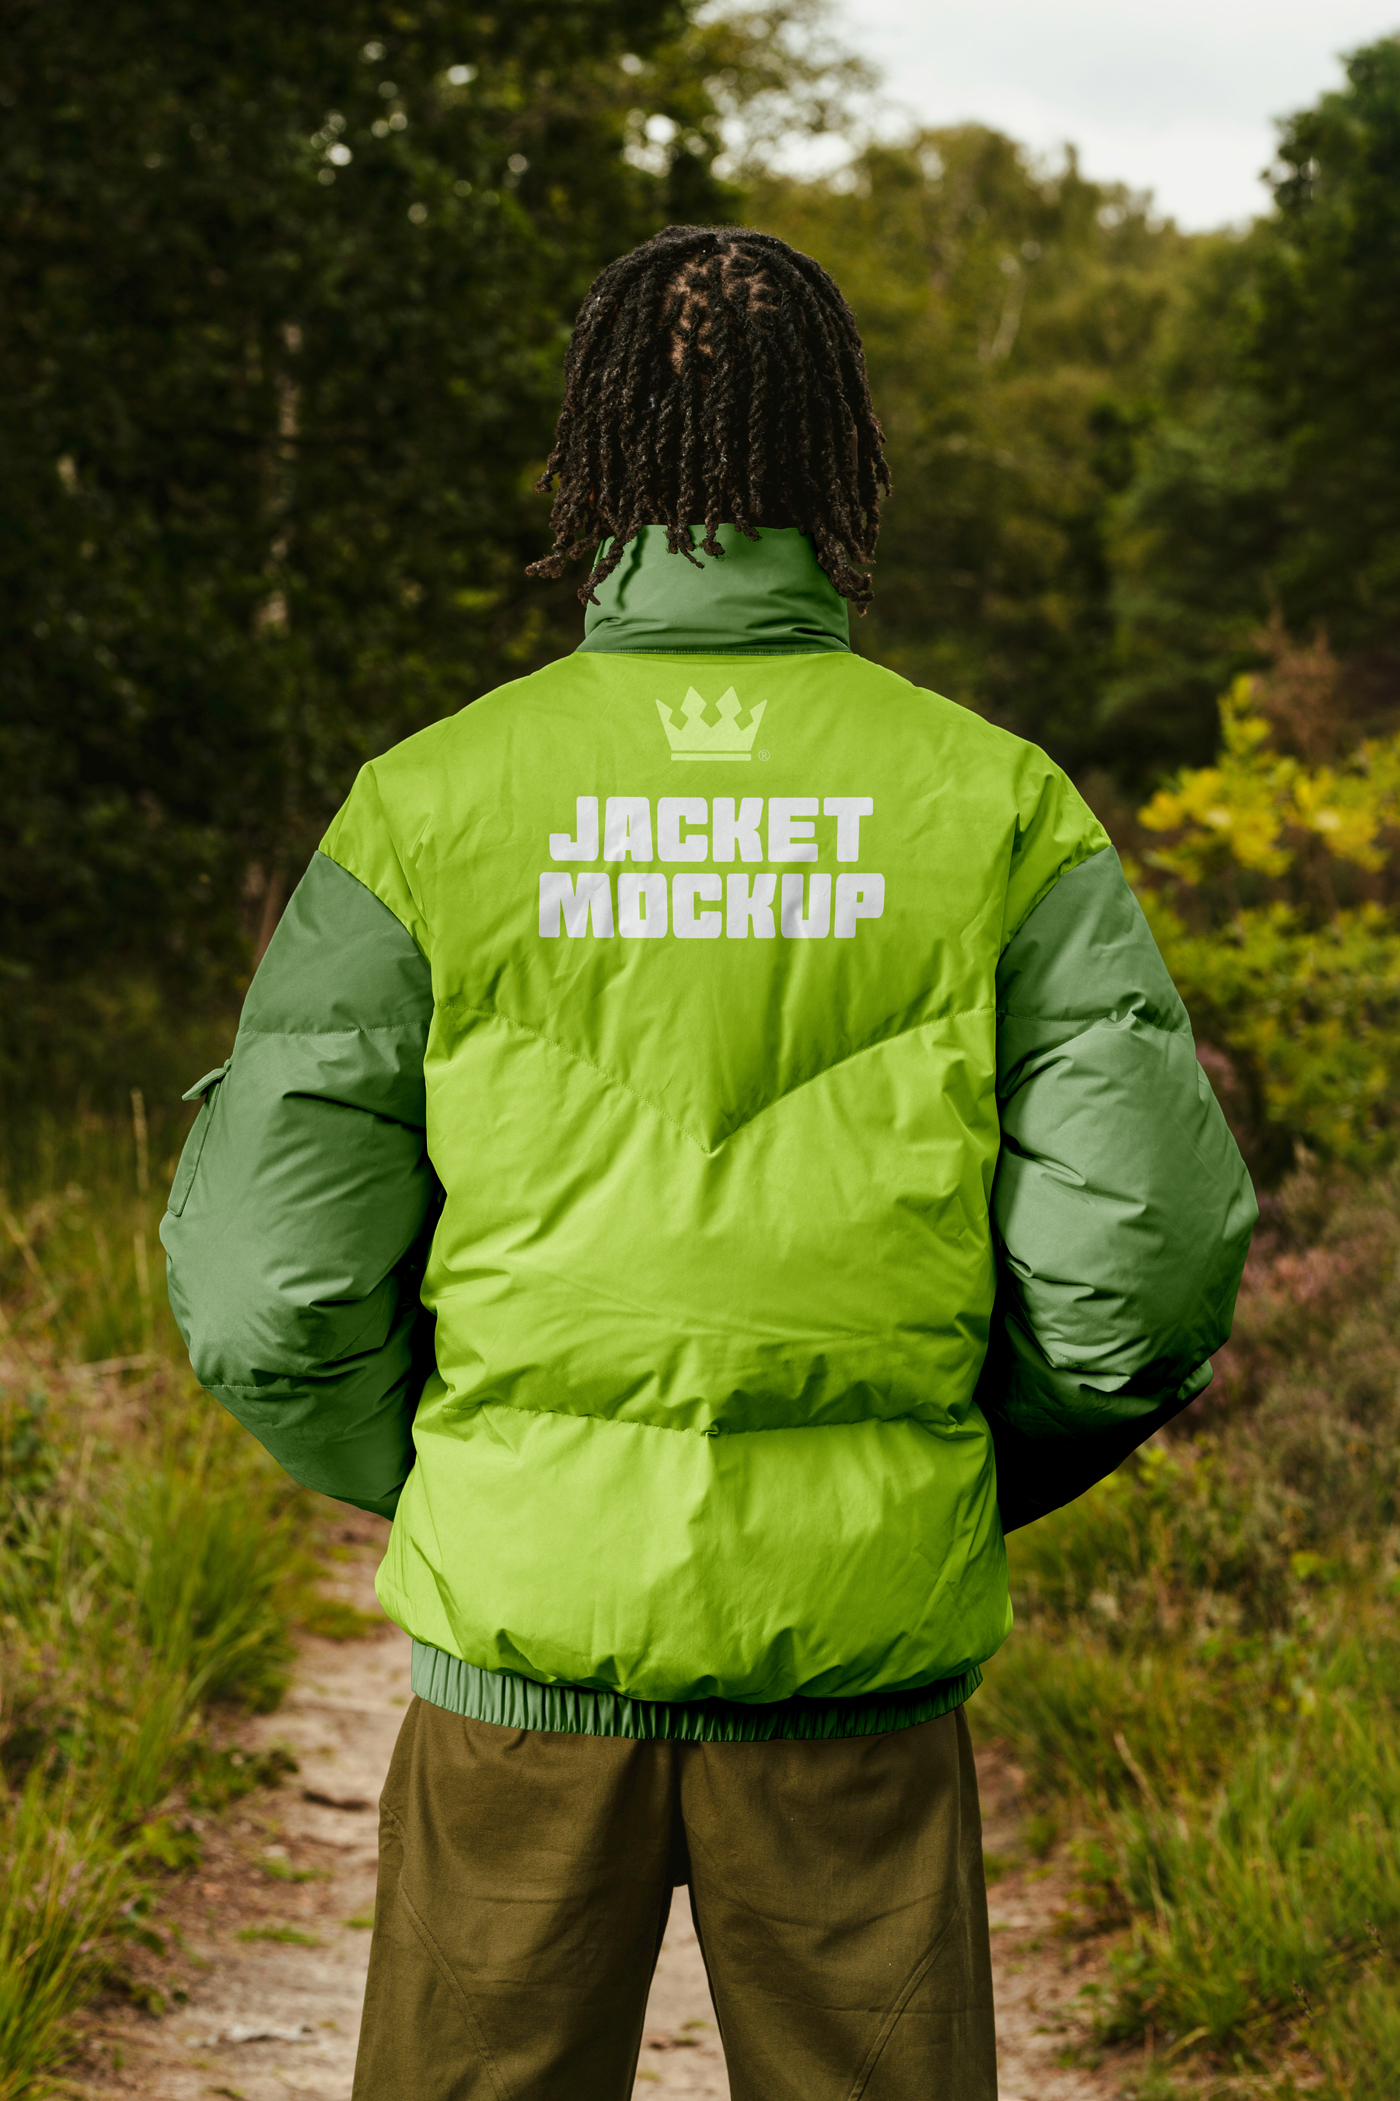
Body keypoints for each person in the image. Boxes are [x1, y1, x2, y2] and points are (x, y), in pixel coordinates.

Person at [162, 225, 1256, 2100]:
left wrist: (460, 1464)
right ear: (837, 463)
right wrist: (940, 1472)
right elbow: (1140, 1271)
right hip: (855, 1678)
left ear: (593, 470)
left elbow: (269, 1282)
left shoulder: (428, 803)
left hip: (523, 1655)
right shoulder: (997, 804)